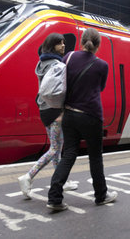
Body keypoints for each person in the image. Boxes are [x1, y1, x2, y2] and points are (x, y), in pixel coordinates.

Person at [47, 28, 117, 211]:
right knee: (95, 157)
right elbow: (100, 88)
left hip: (69, 114)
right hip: (91, 116)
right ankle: (101, 195)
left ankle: (54, 197)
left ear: (81, 41)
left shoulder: (68, 57)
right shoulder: (102, 65)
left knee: (69, 154)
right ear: (98, 45)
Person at [17, 33, 78, 199]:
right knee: (55, 149)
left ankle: (62, 181)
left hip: (44, 110)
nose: (63, 46)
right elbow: (61, 89)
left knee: (56, 148)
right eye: (60, 44)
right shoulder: (57, 64)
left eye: (64, 43)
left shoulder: (41, 63)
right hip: (55, 110)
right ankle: (28, 177)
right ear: (53, 46)